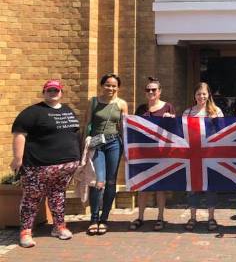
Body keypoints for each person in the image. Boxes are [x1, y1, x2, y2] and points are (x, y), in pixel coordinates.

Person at [11, 80, 81, 248]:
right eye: (49, 90)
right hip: (37, 166)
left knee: (58, 196)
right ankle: (26, 232)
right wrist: (18, 159)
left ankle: (59, 227)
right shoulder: (33, 112)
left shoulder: (67, 110)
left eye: (56, 90)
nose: (53, 93)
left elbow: (74, 133)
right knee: (31, 198)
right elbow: (19, 134)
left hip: (65, 167)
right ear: (44, 92)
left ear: (61, 93)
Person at [129, 77, 175, 231]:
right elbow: (133, 129)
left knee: (160, 187)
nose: (150, 92)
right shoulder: (141, 109)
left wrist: (171, 120)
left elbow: (175, 131)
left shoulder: (168, 107)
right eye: (148, 90)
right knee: (143, 186)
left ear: (159, 92)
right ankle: (140, 217)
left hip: (161, 152)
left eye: (154, 90)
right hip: (144, 152)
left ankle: (160, 217)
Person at [84, 73, 128, 235]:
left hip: (114, 143)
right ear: (102, 86)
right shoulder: (94, 102)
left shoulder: (121, 104)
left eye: (114, 85)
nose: (110, 88)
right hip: (96, 144)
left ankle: (104, 218)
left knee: (111, 181)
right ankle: (94, 218)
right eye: (107, 85)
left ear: (118, 87)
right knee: (98, 181)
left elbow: (123, 127)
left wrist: (127, 148)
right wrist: (84, 144)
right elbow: (87, 123)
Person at [183, 82, 224, 232]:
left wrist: (216, 121)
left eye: (204, 93)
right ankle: (193, 217)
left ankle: (211, 217)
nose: (201, 96)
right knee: (193, 187)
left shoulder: (216, 111)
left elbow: (223, 132)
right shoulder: (188, 112)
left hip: (210, 155)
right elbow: (181, 132)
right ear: (194, 95)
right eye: (199, 93)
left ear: (209, 95)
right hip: (192, 155)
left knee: (211, 187)